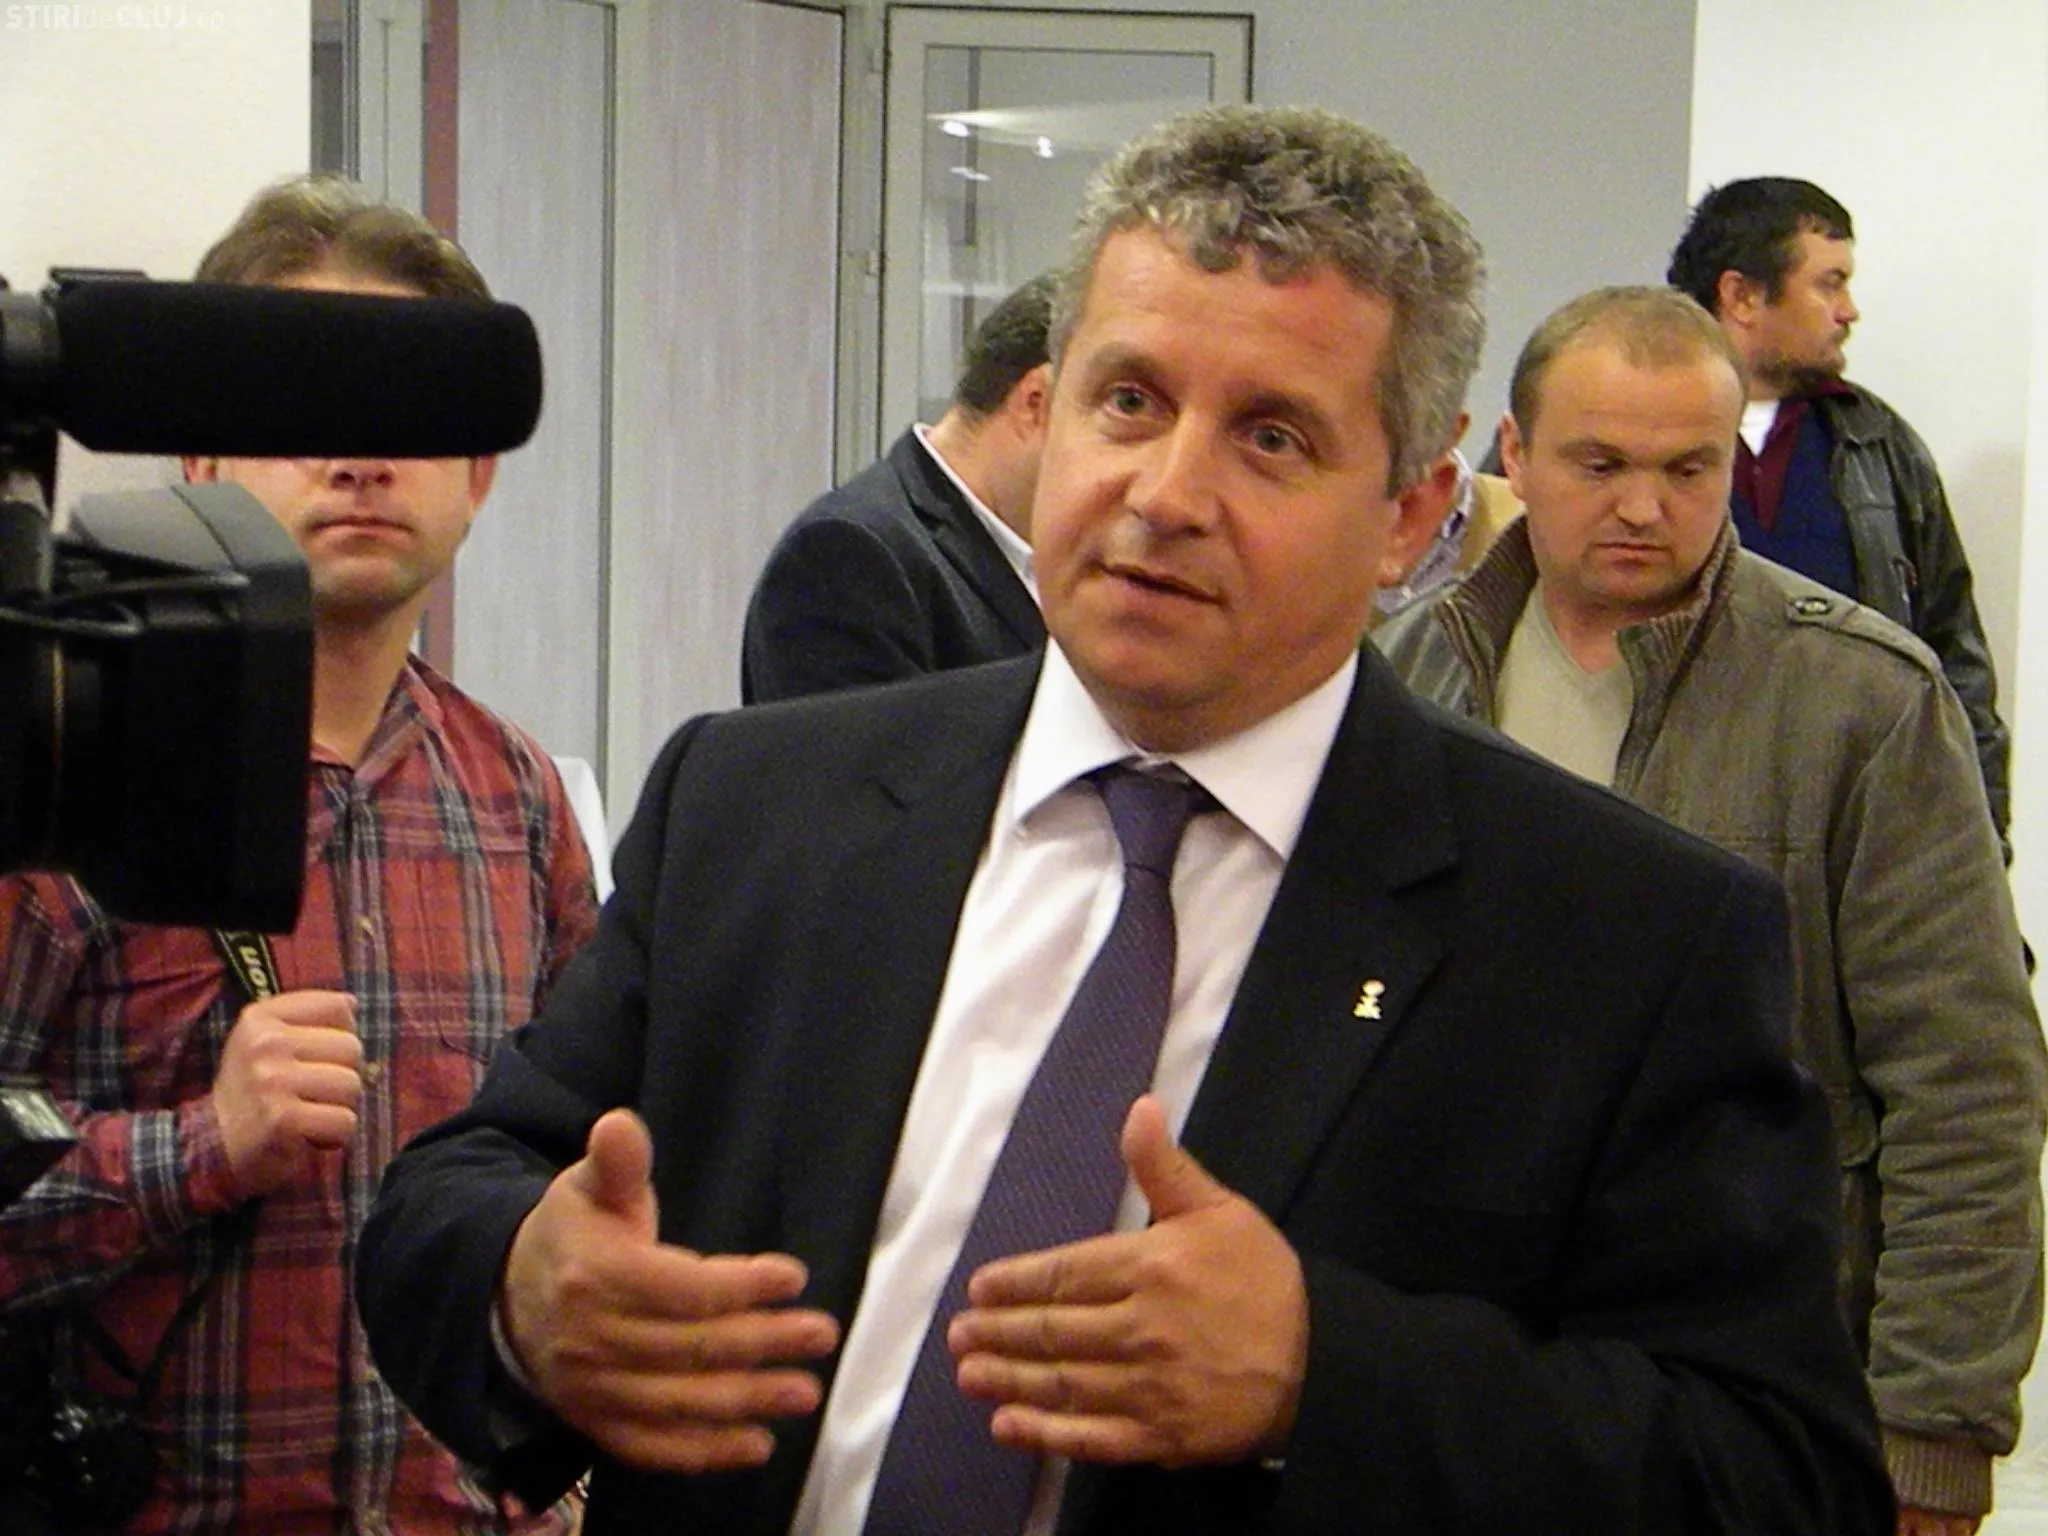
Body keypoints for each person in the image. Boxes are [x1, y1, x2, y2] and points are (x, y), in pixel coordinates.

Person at [358, 108, 1893, 1535]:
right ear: (1050, 409)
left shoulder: (1622, 935)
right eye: (1130, 401)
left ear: (1410, 515)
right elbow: (457, 1186)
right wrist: (524, 1290)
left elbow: (1776, 1471)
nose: (1166, 492)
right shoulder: (760, 803)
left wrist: (1328, 1375)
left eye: (1271, 437)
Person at [1376, 285, 2044, 1536]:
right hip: (1453, 1371)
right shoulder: (1402, 678)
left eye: (1687, 468)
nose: (1643, 507)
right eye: (1598, 464)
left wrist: (1931, 1430)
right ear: (1512, 453)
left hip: (1753, 1388)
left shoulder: (1858, 701)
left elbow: (1965, 1087)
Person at [0, 176, 600, 1535]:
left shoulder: (520, 802)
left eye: (405, 411)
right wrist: (198, 1147)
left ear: (476, 474)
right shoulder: (63, 782)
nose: (360, 453)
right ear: (203, 462)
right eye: (305, 400)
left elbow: (584, 1172)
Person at [1666, 177, 2011, 848]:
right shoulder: (1611, 426)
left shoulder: (1879, 447)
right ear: (1741, 296)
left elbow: (1954, 657)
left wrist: (1980, 840)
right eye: (1829, 284)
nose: (1848, 311)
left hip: (1850, 832)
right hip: (1668, 821)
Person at [740, 273, 1055, 703]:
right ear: (1037, 402)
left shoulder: (1050, 560)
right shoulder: (846, 557)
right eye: (1120, 408)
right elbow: (856, 748)